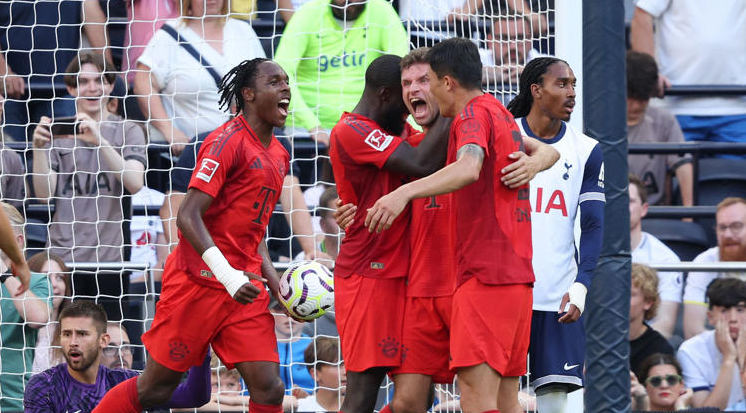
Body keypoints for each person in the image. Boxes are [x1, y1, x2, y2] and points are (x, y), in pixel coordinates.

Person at [335, 46, 556, 413]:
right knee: (408, 402)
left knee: (487, 399)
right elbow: (373, 180)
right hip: (420, 288)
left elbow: (527, 149)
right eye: (407, 83)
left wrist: (544, 158)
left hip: (474, 282)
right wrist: (351, 209)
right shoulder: (410, 145)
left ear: (445, 83)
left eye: (426, 80)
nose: (417, 89)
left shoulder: (475, 119)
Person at [91, 57, 291, 413]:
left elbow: (253, 229)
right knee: (154, 390)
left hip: (242, 290)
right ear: (247, 94)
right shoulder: (225, 142)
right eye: (274, 82)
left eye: (286, 82)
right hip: (196, 286)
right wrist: (226, 274)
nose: (285, 88)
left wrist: (274, 280)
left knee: (270, 389)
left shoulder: (279, 155)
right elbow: (187, 215)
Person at [328, 52, 456, 413]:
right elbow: (421, 163)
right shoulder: (351, 130)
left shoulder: (398, 133)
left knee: (415, 400)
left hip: (411, 278)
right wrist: (454, 101)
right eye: (403, 97)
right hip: (369, 275)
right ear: (386, 94)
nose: (407, 113)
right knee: (362, 395)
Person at [502, 56, 605, 413]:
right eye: (562, 84)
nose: (572, 93)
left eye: (574, 84)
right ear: (536, 90)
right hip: (502, 290)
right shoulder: (503, 135)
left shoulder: (587, 149)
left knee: (555, 403)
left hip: (556, 295)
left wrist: (582, 284)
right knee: (498, 396)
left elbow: (593, 224)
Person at [31, 51, 147, 320]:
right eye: (83, 82)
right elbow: (43, 195)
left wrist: (100, 141)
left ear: (109, 85)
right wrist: (38, 149)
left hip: (109, 260)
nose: (92, 88)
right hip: (63, 260)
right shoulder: (58, 132)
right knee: (61, 338)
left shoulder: (128, 129)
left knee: (109, 337)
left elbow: (135, 183)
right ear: (71, 89)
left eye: (99, 80)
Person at [24, 300, 211, 413]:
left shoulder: (124, 380)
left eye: (82, 334)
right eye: (66, 334)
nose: (73, 342)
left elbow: (193, 396)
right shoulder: (43, 385)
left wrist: (201, 342)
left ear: (102, 340)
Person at [135, 0, 266, 153]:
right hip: (190, 154)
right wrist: (168, 130)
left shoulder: (243, 31)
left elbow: (264, 82)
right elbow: (143, 84)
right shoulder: (169, 34)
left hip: (241, 152)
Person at [274, 0, 409, 145]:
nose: (346, 2)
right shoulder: (309, 12)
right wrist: (312, 125)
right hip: (304, 129)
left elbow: (402, 70)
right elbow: (281, 73)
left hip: (368, 125)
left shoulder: (382, 11)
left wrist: (410, 126)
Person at [630, 1, 746, 147]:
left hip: (738, 109)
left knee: (736, 170)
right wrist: (650, 74)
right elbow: (642, 15)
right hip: (676, 107)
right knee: (673, 167)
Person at [0, 0, 107, 141]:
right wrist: (4, 71)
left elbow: (92, 14)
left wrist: (107, 70)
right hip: (10, 92)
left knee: (64, 155)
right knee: (10, 156)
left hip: (61, 90)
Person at [626, 51, 693, 206]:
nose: (636, 105)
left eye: (642, 99)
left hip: (656, 211)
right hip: (610, 212)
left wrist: (688, 215)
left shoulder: (664, 120)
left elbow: (683, 166)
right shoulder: (599, 122)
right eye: (630, 97)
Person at [0, 202, 46, 411]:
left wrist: (3, 272)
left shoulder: (36, 281)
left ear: (18, 241)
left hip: (14, 402)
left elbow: (37, 318)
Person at [677, 278, 746, 410]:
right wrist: (729, 359)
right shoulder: (690, 350)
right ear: (710, 317)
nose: (733, 319)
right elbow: (705, 411)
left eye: (740, 310)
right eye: (724, 311)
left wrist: (743, 360)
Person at [683, 197, 746, 339]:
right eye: (722, 228)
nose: (728, 234)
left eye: (736, 226)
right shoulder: (704, 262)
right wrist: (728, 351)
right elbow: (692, 330)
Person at [630, 174, 683, 338]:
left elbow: (665, 325)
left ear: (643, 209)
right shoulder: (586, 251)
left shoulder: (667, 259)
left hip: (646, 347)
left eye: (629, 201)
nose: (620, 206)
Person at [30, 253, 72, 373]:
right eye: (45, 277)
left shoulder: (75, 328)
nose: (54, 284)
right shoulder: (16, 327)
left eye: (59, 277)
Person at [629, 264, 674, 376]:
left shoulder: (659, 348)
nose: (621, 299)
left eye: (630, 294)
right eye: (618, 292)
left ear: (648, 302)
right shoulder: (592, 340)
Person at [480, 15, 541, 89]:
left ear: (531, 40)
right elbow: (462, 73)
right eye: (504, 38)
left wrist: (527, 73)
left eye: (520, 38)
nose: (513, 46)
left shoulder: (543, 61)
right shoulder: (477, 58)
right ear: (489, 41)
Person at [297, 336, 346, 412]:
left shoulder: (363, 406)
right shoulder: (300, 408)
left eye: (347, 365)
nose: (345, 372)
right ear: (315, 374)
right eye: (337, 365)